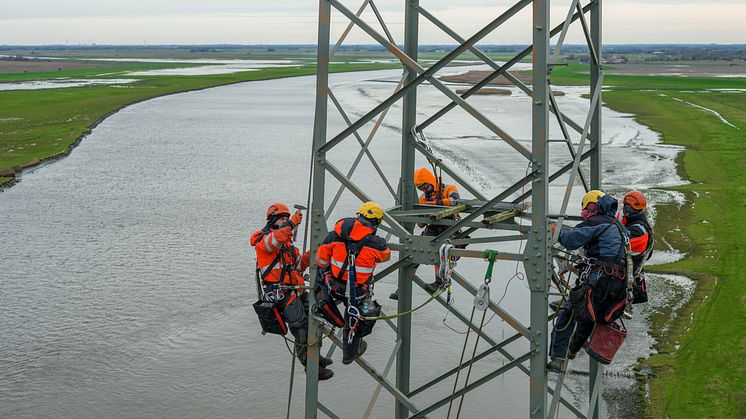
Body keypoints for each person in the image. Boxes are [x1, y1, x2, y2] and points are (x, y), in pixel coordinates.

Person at [547, 190, 630, 372]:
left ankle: (558, 358)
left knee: (569, 313)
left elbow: (570, 240)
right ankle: (572, 350)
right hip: (618, 285)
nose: (584, 214)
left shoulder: (597, 222)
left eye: (587, 209)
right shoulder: (620, 228)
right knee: (588, 316)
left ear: (594, 207)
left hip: (600, 279)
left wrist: (555, 232)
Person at [251, 202, 334, 380]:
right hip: (282, 294)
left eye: (287, 219)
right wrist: (291, 224)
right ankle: (310, 365)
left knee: (315, 316)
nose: (286, 222)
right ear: (273, 220)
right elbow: (273, 241)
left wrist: (311, 254)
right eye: (282, 219)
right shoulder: (263, 241)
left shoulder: (287, 245)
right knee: (300, 326)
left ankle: (315, 356)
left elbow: (297, 266)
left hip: (295, 289)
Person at [316, 202, 391, 364]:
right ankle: (349, 352)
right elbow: (386, 256)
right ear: (376, 223)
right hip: (356, 293)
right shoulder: (377, 244)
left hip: (333, 287)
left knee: (321, 273)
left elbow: (320, 261)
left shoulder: (333, 236)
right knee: (362, 314)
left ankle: (321, 300)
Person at [390, 167, 461, 300]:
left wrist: (434, 204)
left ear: (431, 182)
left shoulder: (449, 189)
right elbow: (421, 224)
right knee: (414, 252)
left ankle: (439, 281)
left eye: (425, 187)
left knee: (441, 251)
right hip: (433, 228)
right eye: (421, 188)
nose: (424, 190)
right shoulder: (423, 198)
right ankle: (402, 286)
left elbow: (455, 201)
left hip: (450, 228)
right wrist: (422, 214)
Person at [622, 190, 654, 304]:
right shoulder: (639, 225)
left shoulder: (637, 230)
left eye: (626, 207)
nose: (623, 210)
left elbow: (618, 246)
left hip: (624, 277)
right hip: (630, 274)